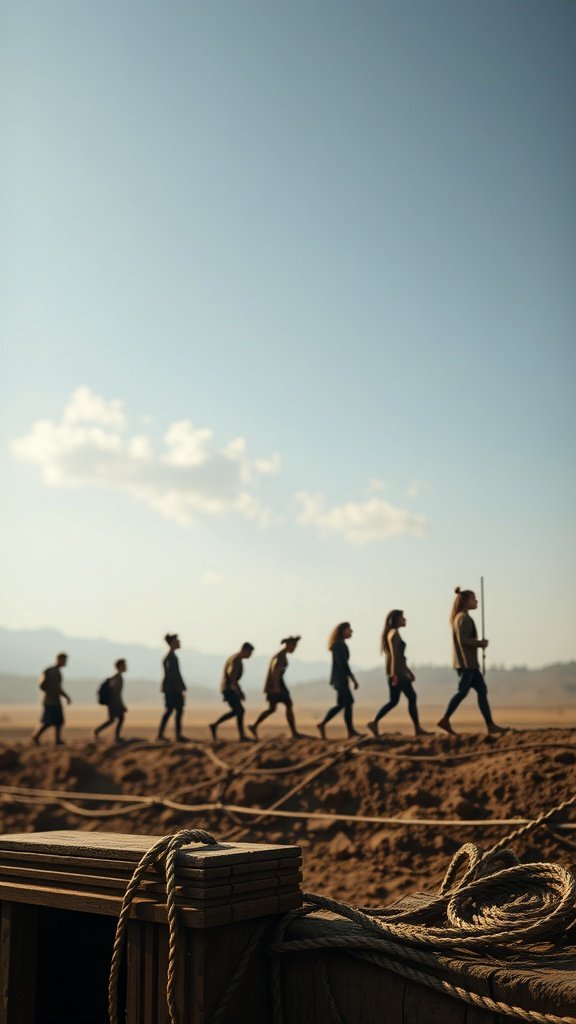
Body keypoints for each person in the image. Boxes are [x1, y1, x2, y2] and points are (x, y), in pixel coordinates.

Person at [437, 587, 506, 736]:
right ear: (465, 601)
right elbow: (463, 641)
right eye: (473, 598)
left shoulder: (460, 617)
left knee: (481, 691)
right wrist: (480, 643)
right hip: (467, 664)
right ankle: (445, 719)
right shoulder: (463, 618)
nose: (476, 601)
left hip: (469, 664)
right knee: (462, 692)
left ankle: (490, 725)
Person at [367, 611, 429, 738]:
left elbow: (400, 657)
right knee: (409, 697)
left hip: (399, 673)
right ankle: (417, 728)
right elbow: (395, 656)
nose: (405, 619)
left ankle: (375, 723)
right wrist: (394, 674)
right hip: (398, 674)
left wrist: (409, 672)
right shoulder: (394, 634)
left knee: (396, 701)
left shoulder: (393, 633)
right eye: (402, 617)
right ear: (396, 619)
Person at [249, 636, 303, 740]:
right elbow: (275, 670)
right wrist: (276, 686)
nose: (294, 649)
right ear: (288, 645)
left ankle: (254, 725)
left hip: (277, 685)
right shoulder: (280, 656)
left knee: (272, 708)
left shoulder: (282, 655)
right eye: (293, 646)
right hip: (276, 686)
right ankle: (294, 732)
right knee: (288, 704)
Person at [317, 622, 362, 739]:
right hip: (340, 679)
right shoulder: (338, 645)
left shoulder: (340, 644)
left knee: (341, 704)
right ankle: (350, 731)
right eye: (349, 629)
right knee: (349, 702)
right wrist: (353, 679)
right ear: (342, 631)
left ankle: (322, 724)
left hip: (340, 679)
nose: (351, 631)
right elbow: (343, 665)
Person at [210, 642, 254, 741]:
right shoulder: (236, 660)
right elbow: (232, 676)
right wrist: (238, 691)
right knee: (240, 711)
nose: (250, 655)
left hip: (230, 689)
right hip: (229, 689)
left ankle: (215, 725)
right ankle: (241, 736)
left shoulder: (236, 659)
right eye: (250, 653)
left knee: (238, 711)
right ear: (245, 650)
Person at [32, 653, 71, 746]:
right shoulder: (53, 671)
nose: (65, 662)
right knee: (48, 721)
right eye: (64, 660)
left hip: (53, 700)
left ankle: (57, 740)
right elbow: (55, 687)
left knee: (58, 721)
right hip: (51, 701)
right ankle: (36, 736)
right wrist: (65, 696)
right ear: (58, 659)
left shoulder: (53, 671)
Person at [157, 633, 188, 742]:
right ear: (171, 643)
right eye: (176, 641)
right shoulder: (170, 658)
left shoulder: (172, 657)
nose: (179, 642)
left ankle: (174, 735)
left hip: (172, 689)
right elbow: (172, 675)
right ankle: (169, 735)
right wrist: (179, 689)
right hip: (171, 690)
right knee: (172, 710)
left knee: (175, 711)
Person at [94, 659, 128, 743]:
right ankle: (116, 737)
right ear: (120, 666)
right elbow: (116, 693)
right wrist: (121, 705)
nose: (126, 667)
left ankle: (98, 731)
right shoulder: (118, 678)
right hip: (114, 703)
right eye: (124, 665)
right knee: (119, 718)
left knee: (112, 720)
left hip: (112, 703)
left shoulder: (116, 677)